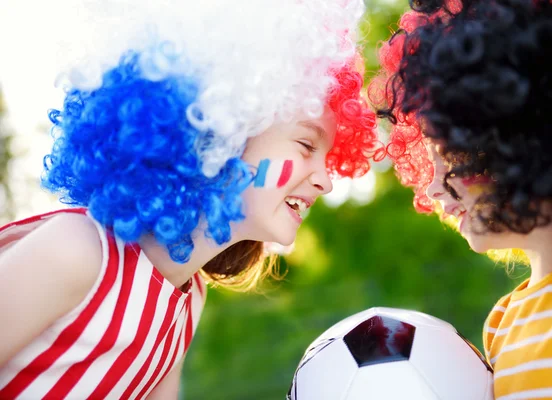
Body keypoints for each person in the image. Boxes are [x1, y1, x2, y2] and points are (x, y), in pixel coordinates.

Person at [0, 0, 381, 398]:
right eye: (306, 144)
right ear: (221, 133)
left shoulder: (187, 300)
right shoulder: (78, 252)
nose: (326, 181)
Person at [373, 0, 552, 398]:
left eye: (454, 154)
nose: (433, 186)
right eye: (431, 159)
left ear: (524, 139)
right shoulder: (500, 325)